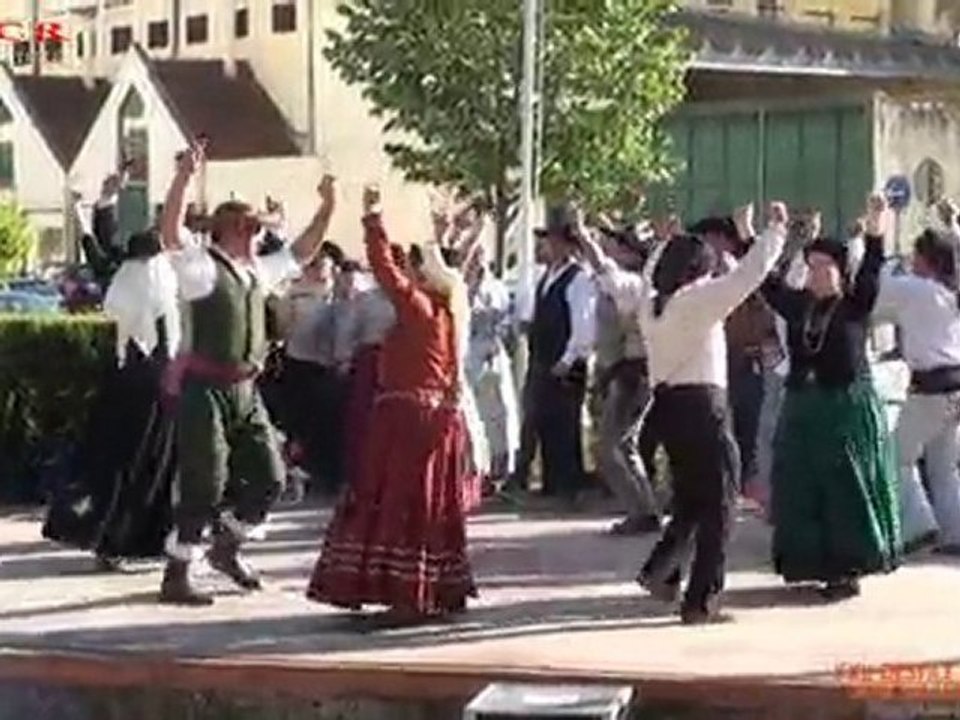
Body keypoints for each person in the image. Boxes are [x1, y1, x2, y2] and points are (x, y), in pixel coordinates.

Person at [157, 143, 336, 606]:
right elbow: (171, 232)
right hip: (204, 389)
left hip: (245, 389)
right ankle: (177, 574)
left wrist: (327, 208)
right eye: (252, 228)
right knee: (205, 480)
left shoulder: (256, 271)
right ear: (233, 230)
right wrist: (183, 178)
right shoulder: (201, 268)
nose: (259, 235)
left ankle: (226, 549)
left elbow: (302, 251)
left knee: (270, 477)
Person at [307, 186, 477, 625]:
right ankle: (435, 589)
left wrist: (373, 218)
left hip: (407, 419)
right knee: (429, 503)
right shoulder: (448, 315)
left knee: (399, 500)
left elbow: (383, 268)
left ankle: (406, 596)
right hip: (434, 418)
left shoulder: (420, 308)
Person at [636, 203, 786, 625]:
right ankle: (701, 598)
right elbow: (746, 278)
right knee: (720, 502)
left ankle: (662, 569)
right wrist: (774, 233)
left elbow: (648, 276)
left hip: (667, 405)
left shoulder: (652, 305)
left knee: (690, 497)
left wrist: (663, 243)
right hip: (704, 406)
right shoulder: (696, 301)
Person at [762, 194, 901, 600]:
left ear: (841, 271)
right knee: (801, 487)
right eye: (813, 266)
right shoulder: (799, 307)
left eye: (826, 266)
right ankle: (812, 563)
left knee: (844, 488)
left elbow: (873, 265)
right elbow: (765, 281)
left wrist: (876, 224)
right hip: (804, 409)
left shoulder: (855, 305)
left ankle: (848, 569)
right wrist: (767, 233)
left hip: (844, 408)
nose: (818, 273)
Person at [43, 230, 179, 568]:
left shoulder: (121, 280)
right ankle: (126, 540)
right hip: (152, 390)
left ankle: (121, 541)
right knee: (145, 467)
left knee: (122, 466)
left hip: (125, 385)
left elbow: (98, 256)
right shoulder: (159, 283)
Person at [875, 209, 960, 556]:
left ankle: (919, 525)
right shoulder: (950, 292)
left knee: (898, 457)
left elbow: (879, 295)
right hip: (955, 384)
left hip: (930, 386)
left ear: (927, 260)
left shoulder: (916, 289)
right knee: (944, 466)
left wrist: (888, 263)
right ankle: (955, 532)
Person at [576, 218, 661, 535]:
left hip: (631, 374)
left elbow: (603, 267)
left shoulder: (634, 285)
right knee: (624, 446)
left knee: (611, 447)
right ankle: (644, 509)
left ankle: (642, 511)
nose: (611, 248)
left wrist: (584, 236)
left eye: (618, 244)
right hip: (627, 372)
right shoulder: (638, 284)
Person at [518, 206, 596, 503]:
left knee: (565, 422)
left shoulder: (578, 279)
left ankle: (568, 484)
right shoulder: (546, 277)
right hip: (543, 358)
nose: (546, 246)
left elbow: (583, 323)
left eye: (551, 240)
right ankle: (552, 482)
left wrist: (568, 359)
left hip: (564, 362)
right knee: (545, 419)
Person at [465, 245, 520, 485]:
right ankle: (479, 467)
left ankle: (503, 463)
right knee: (478, 412)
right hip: (472, 353)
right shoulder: (462, 287)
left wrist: (502, 338)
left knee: (501, 410)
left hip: (495, 351)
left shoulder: (497, 288)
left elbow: (508, 320)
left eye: (481, 258)